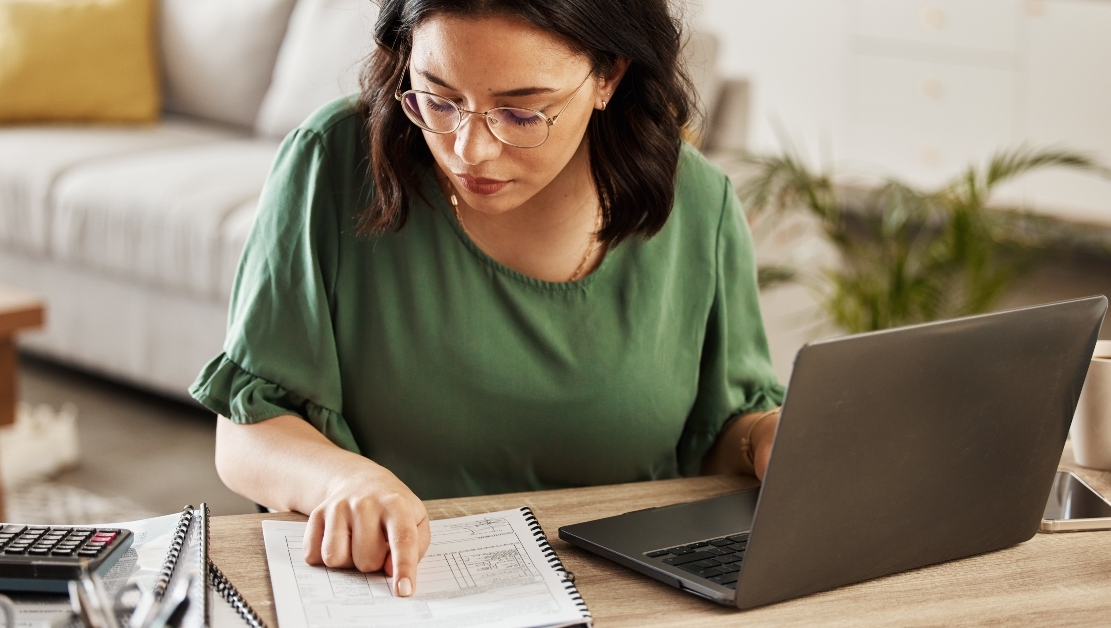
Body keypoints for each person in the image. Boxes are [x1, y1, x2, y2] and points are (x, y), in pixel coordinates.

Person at [189, 0, 785, 600]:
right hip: (400, 593)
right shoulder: (333, 161)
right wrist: (345, 483)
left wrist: (767, 439)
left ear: (610, 76)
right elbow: (247, 429)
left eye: (522, 113)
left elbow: (724, 437)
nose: (468, 150)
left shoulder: (701, 207)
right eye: (438, 98)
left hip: (633, 600)